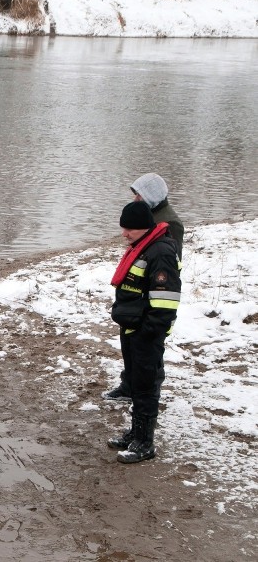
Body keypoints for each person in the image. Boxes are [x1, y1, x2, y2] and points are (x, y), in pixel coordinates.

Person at [107, 201, 181, 464]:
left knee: (146, 387)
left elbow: (166, 302)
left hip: (145, 333)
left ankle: (145, 443)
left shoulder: (160, 252)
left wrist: (149, 332)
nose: (124, 234)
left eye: (129, 229)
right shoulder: (143, 245)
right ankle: (135, 433)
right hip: (133, 327)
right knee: (136, 385)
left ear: (143, 228)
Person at [103, 172, 185, 401]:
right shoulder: (146, 214)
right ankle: (129, 385)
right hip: (136, 295)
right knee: (132, 346)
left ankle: (149, 391)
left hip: (153, 292)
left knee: (149, 350)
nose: (135, 199)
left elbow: (169, 260)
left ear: (150, 196)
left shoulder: (170, 222)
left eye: (138, 195)